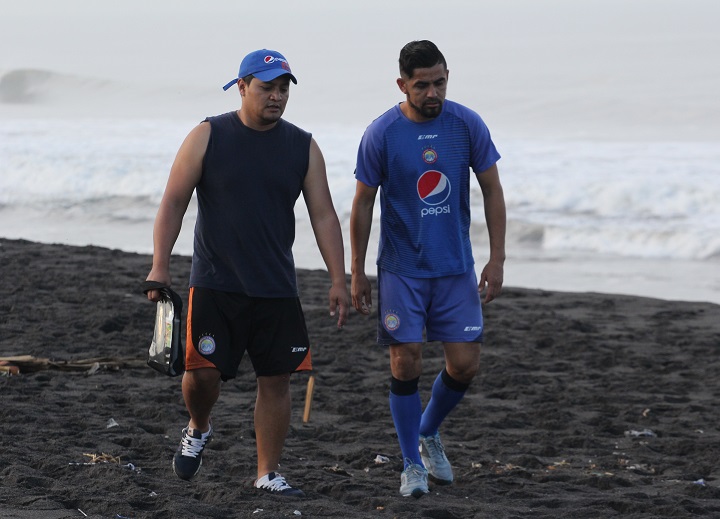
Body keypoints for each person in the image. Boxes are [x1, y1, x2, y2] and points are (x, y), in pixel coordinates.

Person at [145, 48, 349, 497]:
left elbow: (324, 216)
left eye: (283, 89)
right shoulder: (208, 134)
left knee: (276, 380)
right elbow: (173, 202)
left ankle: (267, 472)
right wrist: (161, 263)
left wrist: (339, 278)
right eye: (266, 87)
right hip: (216, 282)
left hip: (276, 286)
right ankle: (199, 426)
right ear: (241, 87)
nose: (276, 97)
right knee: (202, 375)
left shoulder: (302, 146)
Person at [350, 40, 506, 498]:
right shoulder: (381, 133)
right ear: (403, 84)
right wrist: (356, 271)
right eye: (422, 85)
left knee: (465, 364)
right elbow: (362, 204)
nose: (433, 92)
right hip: (401, 268)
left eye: (440, 82)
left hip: (455, 267)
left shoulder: (466, 124)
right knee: (406, 361)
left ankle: (428, 430)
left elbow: (493, 190)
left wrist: (496, 259)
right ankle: (411, 463)